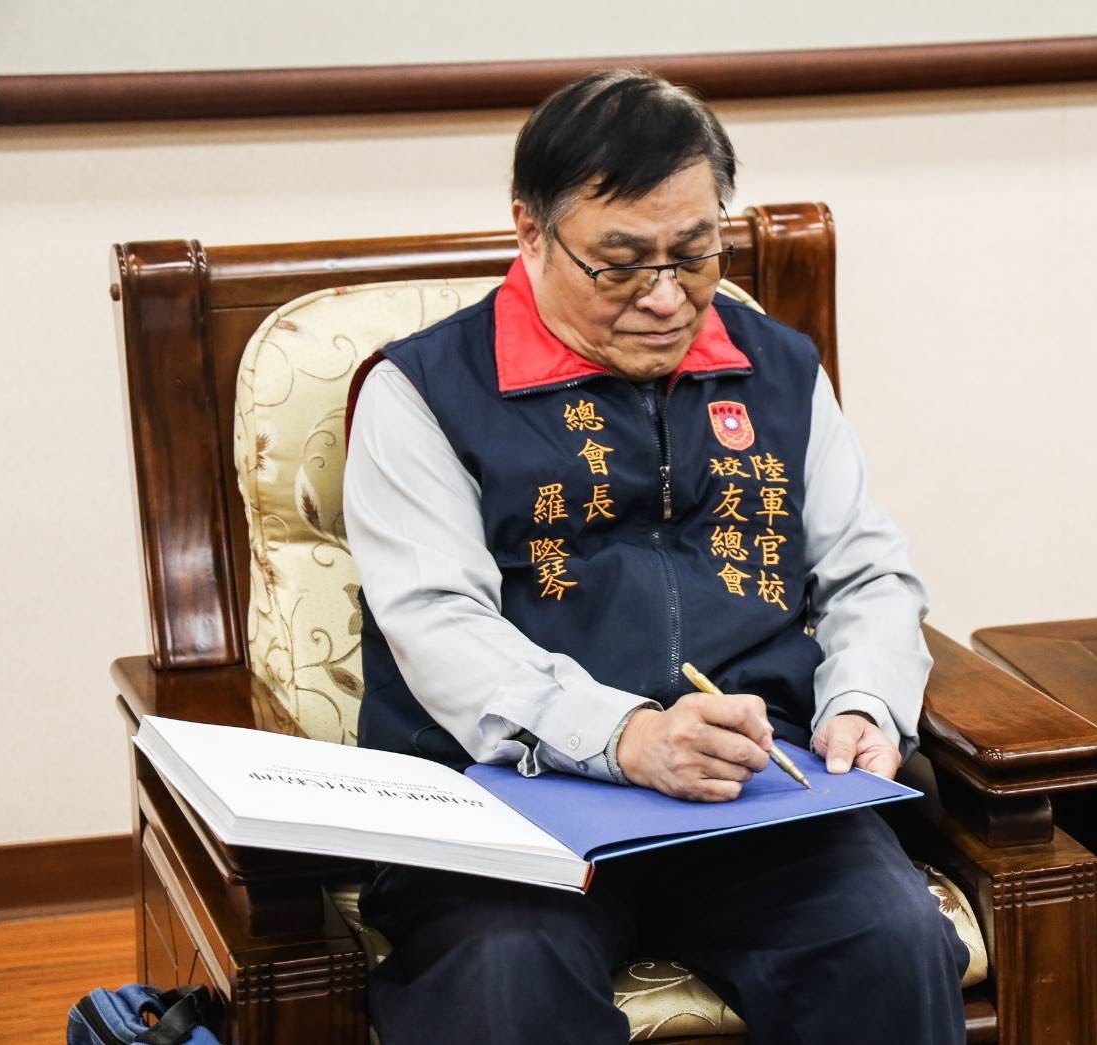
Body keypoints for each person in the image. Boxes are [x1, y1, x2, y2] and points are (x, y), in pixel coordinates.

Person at [342, 69, 966, 1044]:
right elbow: (438, 624)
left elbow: (866, 572)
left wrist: (863, 703)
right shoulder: (421, 391)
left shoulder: (777, 368)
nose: (667, 298)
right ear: (531, 230)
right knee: (505, 983)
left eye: (695, 253)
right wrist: (625, 736)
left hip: (752, 794)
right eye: (622, 264)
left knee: (890, 941)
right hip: (513, 806)